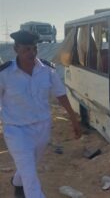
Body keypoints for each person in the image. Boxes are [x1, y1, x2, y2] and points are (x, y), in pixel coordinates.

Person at [1, 30, 81, 198]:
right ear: (16, 49)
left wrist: (74, 119)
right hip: (16, 130)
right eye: (26, 50)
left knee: (29, 165)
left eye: (34, 49)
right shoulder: (5, 74)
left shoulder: (47, 70)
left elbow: (61, 95)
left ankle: (16, 182)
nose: (31, 53)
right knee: (30, 175)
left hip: (42, 128)